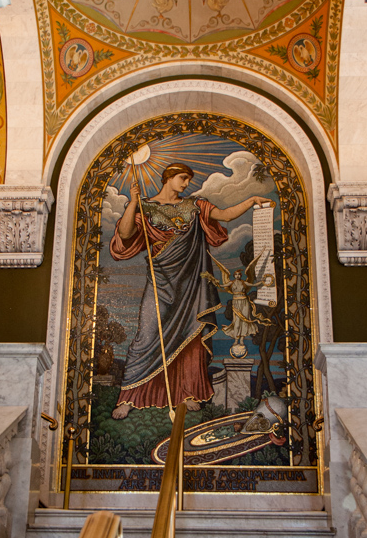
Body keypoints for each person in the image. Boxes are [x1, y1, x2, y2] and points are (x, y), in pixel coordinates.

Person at [109, 161, 272, 419]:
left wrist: (251, 200)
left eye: (188, 179)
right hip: (160, 280)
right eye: (183, 178)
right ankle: (130, 395)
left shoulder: (195, 206)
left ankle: (187, 392)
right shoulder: (146, 207)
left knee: (191, 337)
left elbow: (227, 215)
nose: (186, 184)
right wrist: (132, 203)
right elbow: (126, 234)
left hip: (190, 284)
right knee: (146, 334)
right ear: (168, 177)